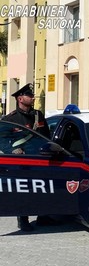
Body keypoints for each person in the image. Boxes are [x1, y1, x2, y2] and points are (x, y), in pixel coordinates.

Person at [2, 83, 50, 232]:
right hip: (23, 161)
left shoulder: (38, 115)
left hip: (40, 158)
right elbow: (1, 140)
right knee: (24, 190)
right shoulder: (11, 119)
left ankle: (43, 216)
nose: (33, 97)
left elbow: (46, 135)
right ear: (20, 99)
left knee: (43, 188)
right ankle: (23, 219)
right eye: (29, 95)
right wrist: (12, 150)